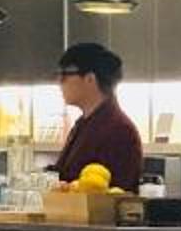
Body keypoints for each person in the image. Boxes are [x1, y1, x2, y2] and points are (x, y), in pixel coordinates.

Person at [51, 40, 144, 186]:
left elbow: (115, 192)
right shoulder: (84, 123)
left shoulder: (119, 130)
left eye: (65, 75)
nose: (59, 82)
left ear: (90, 79)